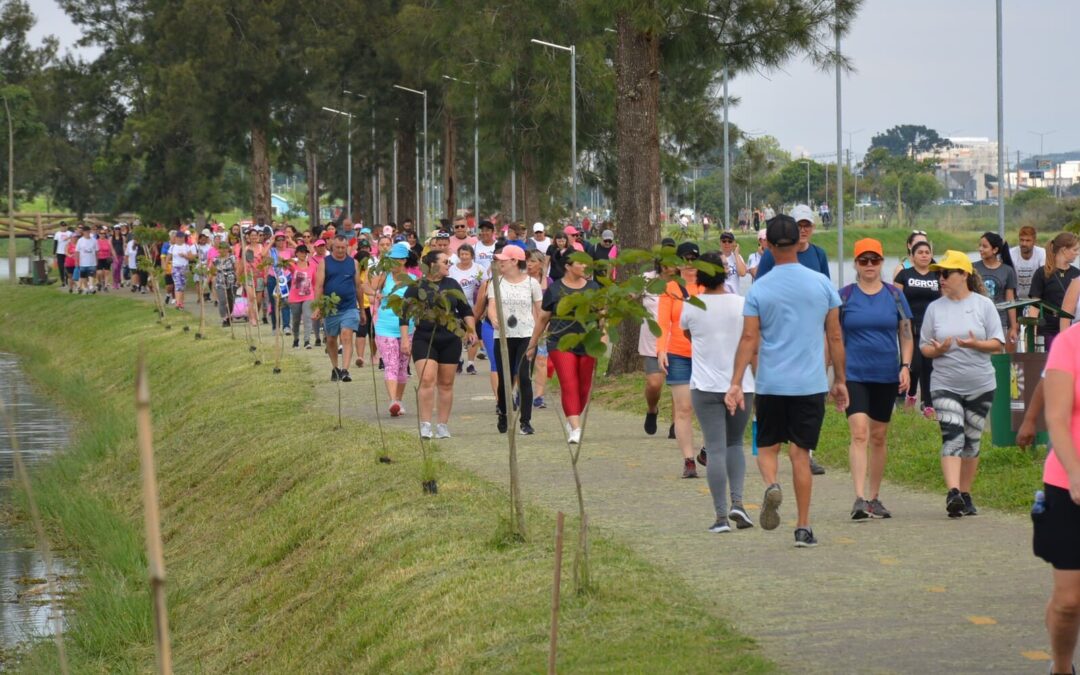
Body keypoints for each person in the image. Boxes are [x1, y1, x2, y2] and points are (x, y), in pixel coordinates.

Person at [726, 214, 848, 548]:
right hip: (810, 383)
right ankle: (804, 527)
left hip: (770, 383)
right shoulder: (822, 284)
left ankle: (770, 485)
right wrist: (840, 379)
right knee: (801, 453)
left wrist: (736, 382)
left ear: (767, 247)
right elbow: (835, 336)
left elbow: (749, 338)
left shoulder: (759, 288)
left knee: (767, 448)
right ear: (798, 242)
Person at [920, 250, 1004, 518]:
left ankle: (966, 494)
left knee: (972, 439)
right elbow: (924, 346)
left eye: (945, 273)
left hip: (980, 383)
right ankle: (953, 492)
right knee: (952, 434)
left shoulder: (983, 305)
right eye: (938, 274)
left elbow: (998, 344)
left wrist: (976, 344)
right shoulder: (934, 309)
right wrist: (938, 350)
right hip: (945, 382)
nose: (940, 279)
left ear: (964, 275)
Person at [753, 204, 830, 477]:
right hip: (779, 334)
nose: (804, 230)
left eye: (808, 225)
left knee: (805, 398)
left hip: (808, 334)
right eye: (800, 226)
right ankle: (801, 513)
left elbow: (827, 297)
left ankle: (804, 457)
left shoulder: (818, 255)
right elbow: (759, 293)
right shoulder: (773, 257)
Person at [683, 251, 756, 533]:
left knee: (714, 448)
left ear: (699, 274)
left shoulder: (691, 306)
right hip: (742, 385)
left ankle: (721, 517)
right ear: (725, 273)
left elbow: (689, 337)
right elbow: (752, 341)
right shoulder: (743, 303)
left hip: (705, 386)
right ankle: (739, 502)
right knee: (735, 443)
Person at [840, 239, 914, 520]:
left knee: (879, 436)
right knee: (859, 432)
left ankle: (874, 497)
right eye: (863, 260)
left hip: (886, 374)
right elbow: (833, 338)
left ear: (882, 262)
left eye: (875, 260)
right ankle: (858, 498)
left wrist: (905, 366)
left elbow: (905, 334)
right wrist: (832, 374)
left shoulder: (895, 295)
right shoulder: (844, 296)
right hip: (853, 374)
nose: (869, 266)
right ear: (855, 264)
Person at [1037, 322, 1080, 675]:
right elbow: (1057, 418)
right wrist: (1075, 472)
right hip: (1068, 484)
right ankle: (1062, 667)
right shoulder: (1069, 343)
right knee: (1068, 602)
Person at [402, 250, 477, 439]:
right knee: (427, 380)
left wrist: (471, 330)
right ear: (432, 264)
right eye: (445, 262)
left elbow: (465, 309)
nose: (449, 265)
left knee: (446, 383)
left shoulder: (452, 285)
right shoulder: (417, 286)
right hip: (424, 338)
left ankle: (442, 425)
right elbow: (404, 315)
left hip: (450, 339)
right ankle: (425, 424)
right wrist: (404, 339)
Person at [527, 256, 600, 445]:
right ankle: (575, 427)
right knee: (569, 384)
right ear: (568, 266)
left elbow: (602, 316)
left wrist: (603, 337)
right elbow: (543, 319)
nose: (584, 266)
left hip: (588, 342)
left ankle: (572, 415)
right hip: (560, 343)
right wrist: (533, 344)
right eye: (580, 263)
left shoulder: (593, 288)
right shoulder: (555, 289)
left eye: (586, 262)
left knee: (584, 387)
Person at [656, 241, 704, 479]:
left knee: (708, 406)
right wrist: (661, 350)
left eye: (694, 259)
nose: (690, 264)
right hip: (678, 354)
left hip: (706, 355)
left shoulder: (709, 287)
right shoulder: (671, 288)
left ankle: (707, 449)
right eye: (685, 259)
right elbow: (663, 322)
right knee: (684, 408)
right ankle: (689, 460)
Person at [487, 246, 543, 435]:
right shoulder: (496, 282)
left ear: (514, 261)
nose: (500, 262)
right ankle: (503, 412)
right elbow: (491, 306)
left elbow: (540, 310)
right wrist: (494, 318)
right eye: (499, 259)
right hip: (502, 337)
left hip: (525, 335)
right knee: (505, 379)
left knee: (524, 377)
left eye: (504, 259)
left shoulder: (531, 283)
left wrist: (538, 336)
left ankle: (525, 421)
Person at [894, 239, 940, 417]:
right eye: (920, 252)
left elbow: (944, 300)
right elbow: (896, 300)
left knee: (929, 365)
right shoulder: (904, 275)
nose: (924, 255)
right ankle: (911, 394)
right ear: (912, 256)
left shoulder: (937, 275)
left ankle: (928, 404)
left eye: (927, 253)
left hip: (931, 327)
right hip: (909, 327)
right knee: (915, 364)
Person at [312, 235, 365, 383]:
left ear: (347, 247)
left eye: (343, 247)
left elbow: (358, 287)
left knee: (347, 335)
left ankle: (345, 370)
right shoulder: (325, 263)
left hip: (349, 307)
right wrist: (317, 307)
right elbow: (319, 286)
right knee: (331, 340)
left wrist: (361, 309)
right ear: (332, 247)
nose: (341, 250)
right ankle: (335, 367)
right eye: (337, 247)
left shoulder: (353, 263)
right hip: (331, 308)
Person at [371, 242, 416, 415]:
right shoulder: (384, 276)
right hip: (385, 328)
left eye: (396, 260)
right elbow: (368, 287)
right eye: (391, 260)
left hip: (407, 328)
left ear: (404, 260)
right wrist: (376, 293)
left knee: (403, 366)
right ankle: (392, 401)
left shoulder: (412, 280)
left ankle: (399, 400)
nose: (393, 264)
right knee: (391, 363)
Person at [640, 238, 677, 436]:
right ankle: (652, 409)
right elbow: (628, 297)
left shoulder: (682, 283)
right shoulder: (647, 279)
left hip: (678, 340)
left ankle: (676, 424)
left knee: (678, 385)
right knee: (654, 383)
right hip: (652, 340)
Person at [1029, 233, 1080, 352]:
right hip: (1048, 331)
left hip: (1072, 330)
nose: (1077, 253)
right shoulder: (1042, 273)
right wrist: (1033, 333)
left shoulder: (1077, 274)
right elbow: (1035, 305)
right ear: (1063, 250)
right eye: (1075, 250)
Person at [972, 231, 1018, 349]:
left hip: (1000, 321)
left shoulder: (1007, 271)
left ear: (995, 250)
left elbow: (1010, 300)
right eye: (980, 245)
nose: (980, 249)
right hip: (977, 321)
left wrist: (1013, 327)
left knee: (998, 356)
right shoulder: (973, 268)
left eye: (984, 246)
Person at [448, 243, 484, 374]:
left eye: (466, 254)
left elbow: (485, 286)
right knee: (457, 335)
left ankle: (471, 363)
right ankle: (459, 360)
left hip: (474, 307)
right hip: (456, 307)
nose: (464, 257)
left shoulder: (479, 268)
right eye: (461, 254)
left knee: (471, 333)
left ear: (472, 256)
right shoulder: (452, 270)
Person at [526, 249, 552, 409]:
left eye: (533, 261)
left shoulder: (549, 282)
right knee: (523, 361)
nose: (529, 264)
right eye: (527, 261)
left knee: (541, 361)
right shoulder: (521, 280)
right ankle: (519, 393)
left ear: (541, 264)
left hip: (543, 327)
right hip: (525, 326)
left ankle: (539, 396)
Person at [288, 244, 317, 348]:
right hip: (295, 297)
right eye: (300, 252)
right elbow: (283, 263)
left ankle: (307, 341)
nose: (303, 254)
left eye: (305, 252)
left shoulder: (312, 266)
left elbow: (314, 282)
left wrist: (315, 295)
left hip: (308, 296)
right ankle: (296, 339)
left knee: (307, 318)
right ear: (296, 253)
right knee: (296, 320)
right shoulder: (293, 265)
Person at [1010, 225, 1046, 299]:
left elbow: (1044, 276)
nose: (1024, 244)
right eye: (1021, 240)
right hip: (1016, 299)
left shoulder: (1042, 253)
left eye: (1028, 240)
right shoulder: (1011, 253)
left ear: (1034, 241)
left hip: (1036, 299)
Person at [210, 240, 238, 327]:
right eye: (221, 249)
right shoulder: (216, 260)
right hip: (220, 282)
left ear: (227, 249)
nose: (223, 250)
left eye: (225, 248)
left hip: (231, 282)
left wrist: (237, 280)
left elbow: (236, 269)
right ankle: (224, 318)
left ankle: (230, 316)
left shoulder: (232, 258)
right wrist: (215, 275)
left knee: (230, 300)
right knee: (222, 301)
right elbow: (212, 270)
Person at [75, 226, 98, 294]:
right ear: (83, 232)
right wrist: (77, 261)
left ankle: (91, 286)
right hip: (83, 262)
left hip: (92, 261)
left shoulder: (94, 240)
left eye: (88, 231)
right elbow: (77, 251)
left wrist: (97, 260)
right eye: (85, 231)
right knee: (83, 276)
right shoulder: (80, 240)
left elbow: (96, 251)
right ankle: (86, 288)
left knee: (91, 274)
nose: (87, 233)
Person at [53, 223, 73, 287]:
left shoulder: (70, 233)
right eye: (62, 227)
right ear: (60, 227)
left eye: (65, 226)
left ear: (66, 227)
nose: (63, 228)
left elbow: (73, 240)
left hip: (67, 252)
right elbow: (55, 243)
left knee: (67, 267)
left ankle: (68, 279)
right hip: (60, 252)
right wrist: (54, 252)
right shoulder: (57, 234)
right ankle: (62, 281)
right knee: (61, 267)